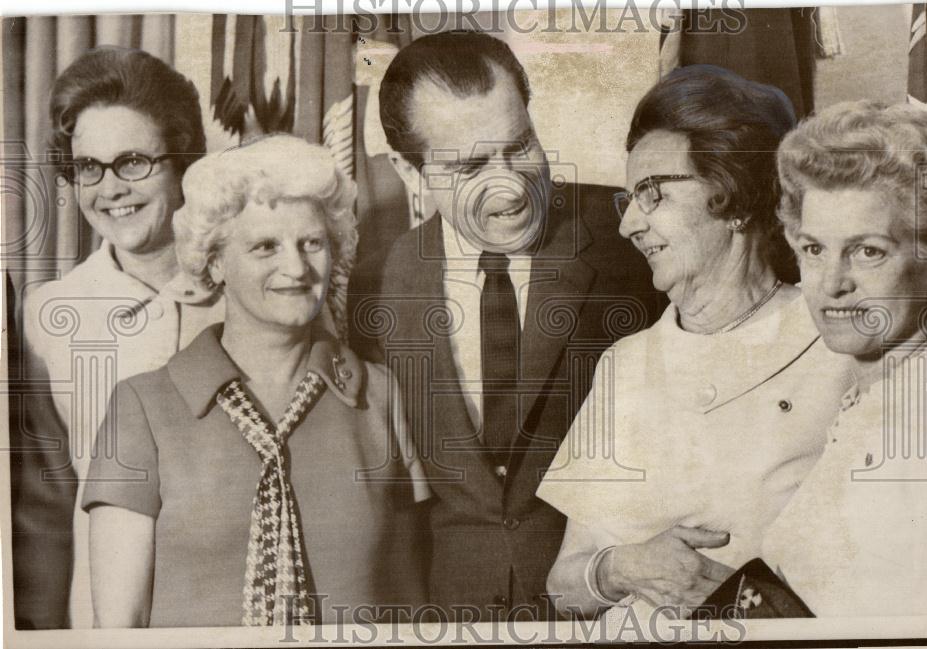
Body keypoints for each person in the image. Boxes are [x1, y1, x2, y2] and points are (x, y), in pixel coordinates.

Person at [356, 30, 663, 620]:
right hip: (451, 619)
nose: (510, 186)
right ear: (408, 169)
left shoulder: (631, 238)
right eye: (471, 165)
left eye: (520, 147)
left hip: (615, 613)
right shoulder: (378, 284)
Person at [535, 66, 854, 633]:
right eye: (629, 199)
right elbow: (565, 588)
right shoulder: (626, 365)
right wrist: (622, 568)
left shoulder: (836, 342)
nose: (630, 224)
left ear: (732, 195)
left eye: (652, 193)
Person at [81, 135, 429, 627]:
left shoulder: (378, 394)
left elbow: (411, 607)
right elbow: (118, 628)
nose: (296, 267)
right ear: (216, 261)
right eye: (266, 246)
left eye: (312, 243)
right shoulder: (141, 407)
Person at [757, 101, 927, 616]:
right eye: (814, 249)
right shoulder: (883, 391)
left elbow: (907, 634)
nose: (832, 284)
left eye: (868, 251)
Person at [17, 46, 220, 628]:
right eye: (88, 167)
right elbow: (38, 519)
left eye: (133, 162)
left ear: (182, 160)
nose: (110, 189)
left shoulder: (254, 298)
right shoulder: (45, 319)